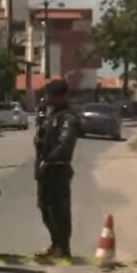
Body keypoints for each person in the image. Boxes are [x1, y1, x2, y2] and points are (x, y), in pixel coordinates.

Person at [35, 79, 80, 258]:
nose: (46, 99)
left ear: (60, 96)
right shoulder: (50, 115)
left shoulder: (68, 117)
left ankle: (63, 247)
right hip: (45, 171)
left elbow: (65, 145)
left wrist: (50, 159)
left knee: (58, 211)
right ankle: (55, 244)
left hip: (57, 169)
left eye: (49, 95)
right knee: (45, 209)